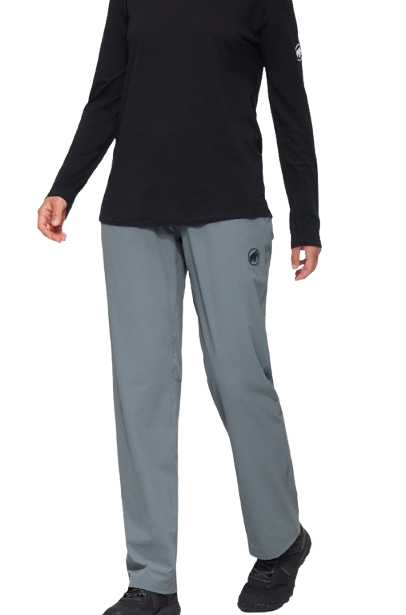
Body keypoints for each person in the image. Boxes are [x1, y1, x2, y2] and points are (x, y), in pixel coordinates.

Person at [36, 1, 321, 613]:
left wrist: (306, 219)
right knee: (140, 394)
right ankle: (151, 581)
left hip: (229, 207)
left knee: (239, 379)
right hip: (133, 211)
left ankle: (280, 544)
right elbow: (107, 92)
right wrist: (65, 185)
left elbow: (291, 106)